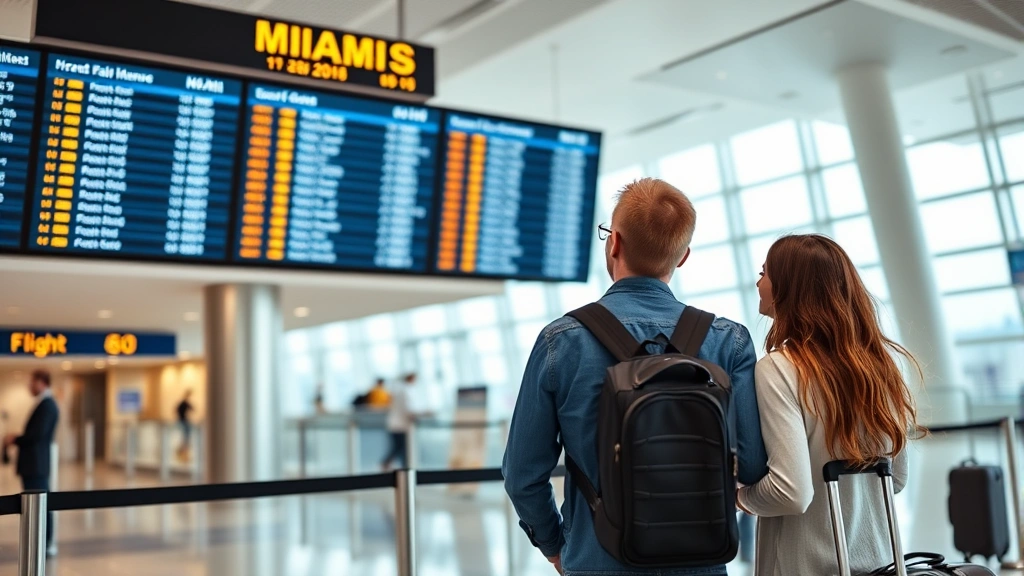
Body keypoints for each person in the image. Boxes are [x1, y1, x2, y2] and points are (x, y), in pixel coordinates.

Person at [503, 177, 768, 576]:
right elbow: (750, 466)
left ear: (614, 243)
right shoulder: (728, 341)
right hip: (702, 562)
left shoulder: (562, 341)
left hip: (598, 560)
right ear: (682, 257)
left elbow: (522, 474)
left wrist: (557, 546)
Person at [737, 234, 923, 575]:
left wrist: (740, 497)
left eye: (765, 272)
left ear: (789, 287)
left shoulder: (780, 368)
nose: (758, 281)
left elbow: (789, 492)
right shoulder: (878, 367)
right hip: (879, 564)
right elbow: (895, 478)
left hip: (804, 566)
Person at [4, 370, 59, 553]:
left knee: (41, 502)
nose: (29, 386)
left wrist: (15, 439)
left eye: (32, 382)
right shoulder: (43, 404)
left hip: (36, 464)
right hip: (33, 464)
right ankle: (41, 541)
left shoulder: (48, 405)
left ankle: (47, 542)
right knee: (37, 502)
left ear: (42, 382)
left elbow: (36, 435)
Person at [381, 373, 417, 471]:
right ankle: (404, 469)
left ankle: (399, 467)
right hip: (400, 425)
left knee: (398, 447)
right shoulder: (405, 391)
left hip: (396, 424)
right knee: (400, 448)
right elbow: (408, 409)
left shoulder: (399, 390)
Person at [176, 390, 194, 459]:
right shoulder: (184, 403)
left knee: (185, 437)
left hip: (182, 421)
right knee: (185, 437)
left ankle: (184, 452)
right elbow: (192, 408)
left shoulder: (183, 403)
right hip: (183, 421)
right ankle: (183, 452)